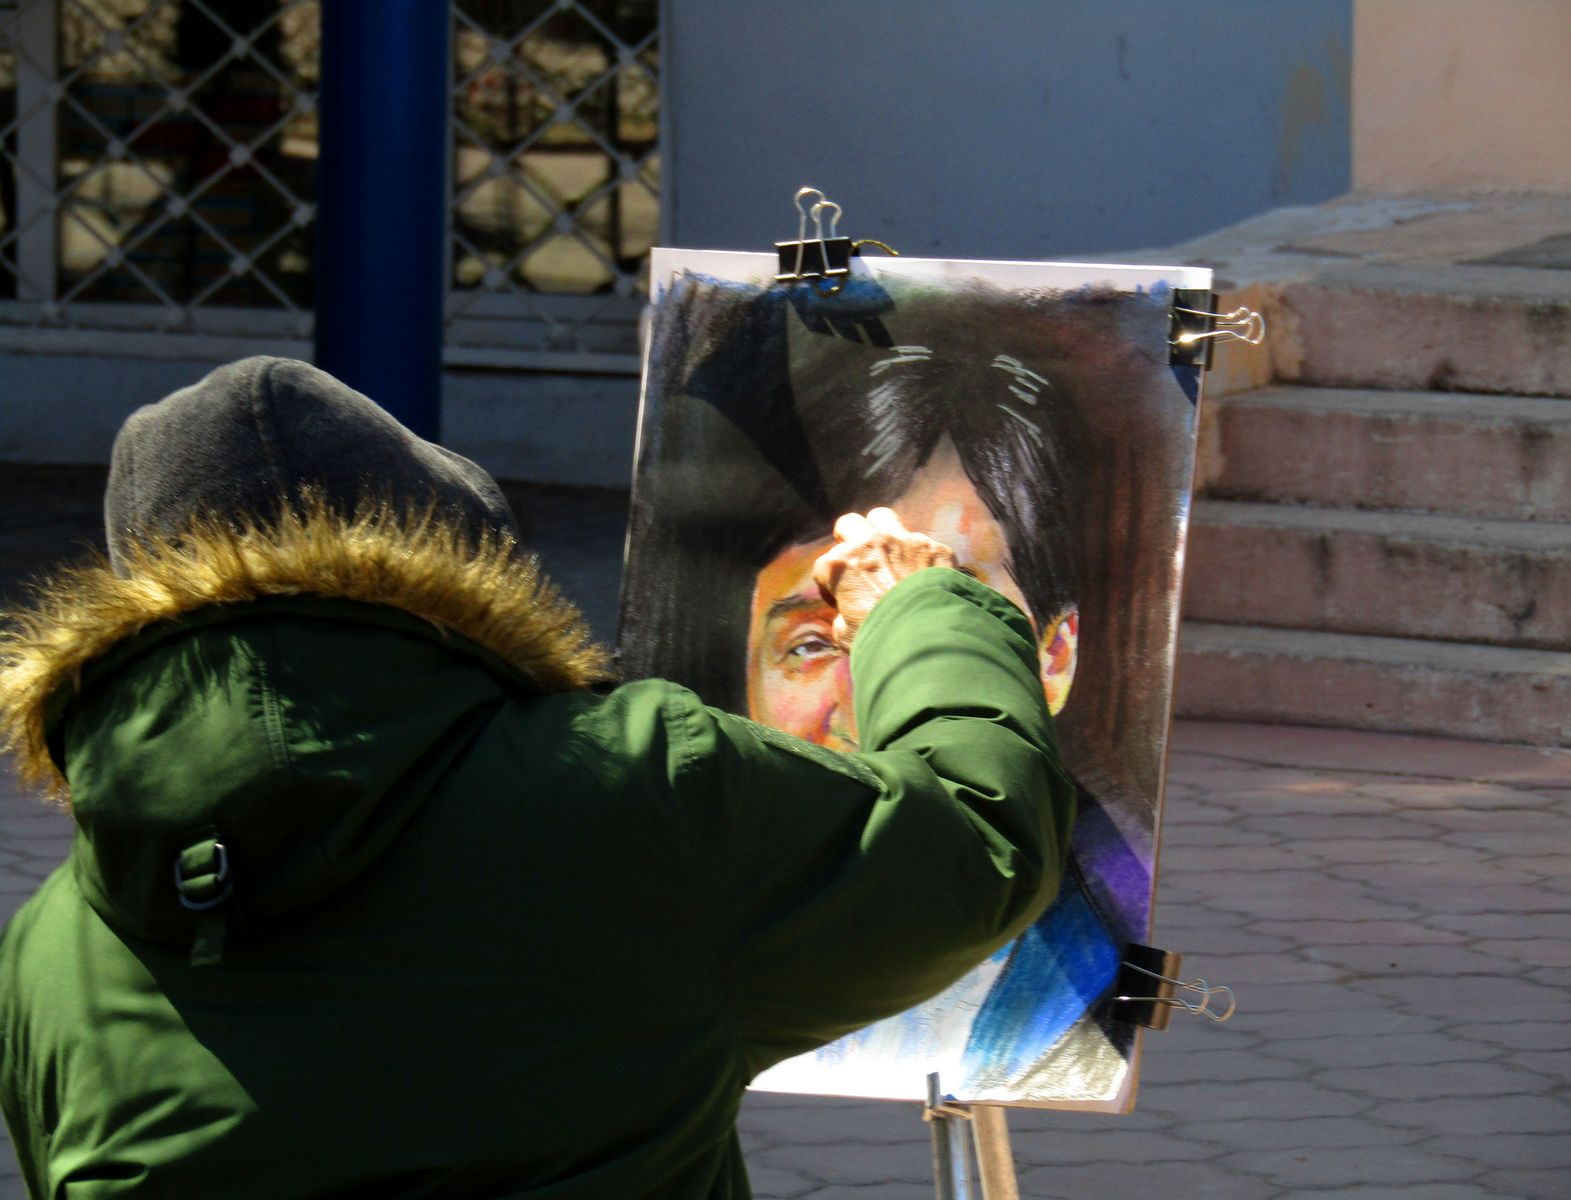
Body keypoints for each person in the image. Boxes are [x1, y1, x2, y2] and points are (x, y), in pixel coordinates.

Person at [0, 356, 1076, 1197]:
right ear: (458, 577)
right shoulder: (624, 791)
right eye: (800, 643)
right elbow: (977, 839)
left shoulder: (55, 945)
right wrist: (919, 614)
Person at [621, 273, 1193, 1100]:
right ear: (743, 671)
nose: (868, 705)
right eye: (813, 640)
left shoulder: (1077, 985)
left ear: (1056, 655)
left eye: (943, 614)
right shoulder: (665, 949)